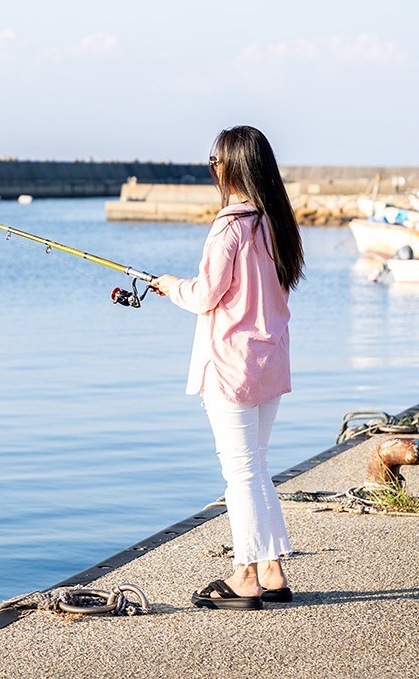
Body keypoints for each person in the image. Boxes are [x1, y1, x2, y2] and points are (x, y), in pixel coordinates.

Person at [150, 125, 305, 610]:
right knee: (256, 467)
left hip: (231, 367)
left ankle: (246, 576)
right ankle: (272, 570)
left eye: (215, 160)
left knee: (241, 473)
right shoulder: (277, 223)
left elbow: (204, 295)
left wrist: (169, 285)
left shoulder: (230, 225)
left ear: (234, 165)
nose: (213, 167)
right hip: (269, 363)